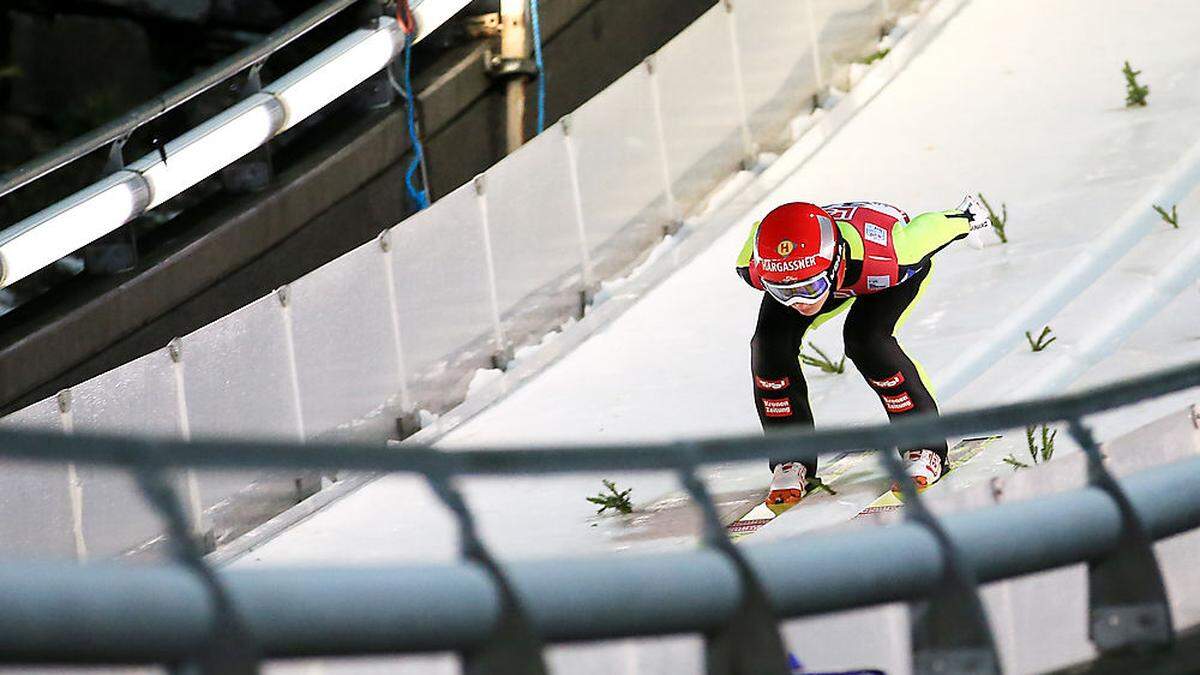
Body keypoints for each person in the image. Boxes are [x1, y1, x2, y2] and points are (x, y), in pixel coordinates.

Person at [734, 197, 991, 512]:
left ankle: (925, 448)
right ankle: (790, 456)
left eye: (808, 288)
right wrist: (803, 287)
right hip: (826, 267)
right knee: (767, 348)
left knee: (866, 341)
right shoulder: (756, 266)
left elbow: (931, 226)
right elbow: (761, 229)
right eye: (783, 293)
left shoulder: (895, 254)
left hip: (876, 270)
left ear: (836, 261)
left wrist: (965, 218)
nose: (799, 302)